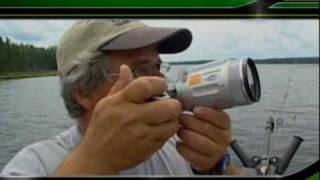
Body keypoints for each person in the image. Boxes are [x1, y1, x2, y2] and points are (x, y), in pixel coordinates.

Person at [1, 19, 243, 176]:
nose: (161, 82)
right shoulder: (35, 164)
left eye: (158, 66)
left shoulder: (175, 145)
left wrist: (215, 165)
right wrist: (95, 161)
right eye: (140, 69)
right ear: (83, 91)